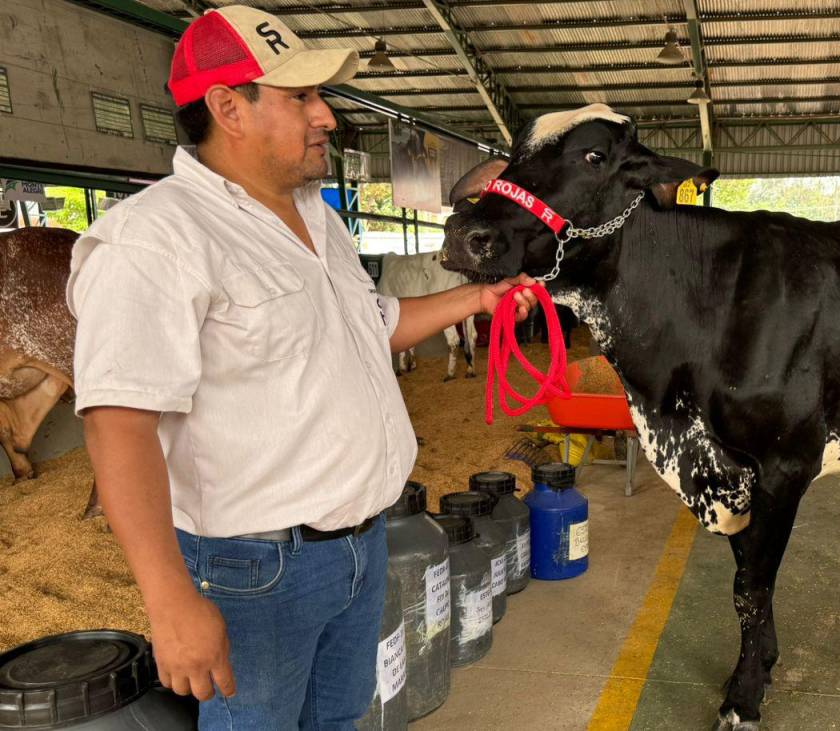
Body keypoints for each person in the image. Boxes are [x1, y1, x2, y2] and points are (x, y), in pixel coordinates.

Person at [65, 6, 536, 728]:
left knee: (340, 720)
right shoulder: (155, 239)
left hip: (361, 544)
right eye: (301, 98)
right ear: (229, 108)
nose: (328, 118)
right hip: (255, 573)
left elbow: (376, 327)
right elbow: (118, 425)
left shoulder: (318, 218)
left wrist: (480, 296)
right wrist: (169, 601)